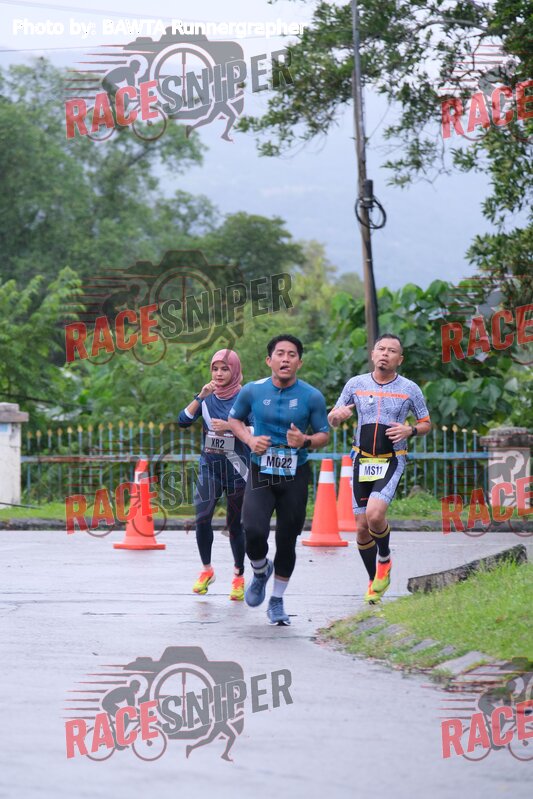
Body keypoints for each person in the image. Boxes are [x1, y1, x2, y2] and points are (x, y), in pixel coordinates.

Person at [228, 334, 330, 625]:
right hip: (261, 471)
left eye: (292, 354)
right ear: (269, 360)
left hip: (295, 474)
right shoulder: (252, 390)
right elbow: (235, 420)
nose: (286, 359)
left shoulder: (312, 396)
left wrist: (305, 440)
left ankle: (277, 600)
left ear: (300, 362)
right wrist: (250, 440)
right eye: (280, 354)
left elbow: (323, 434)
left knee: (287, 539)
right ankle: (261, 570)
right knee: (253, 529)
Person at [328, 334, 431, 604]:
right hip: (361, 460)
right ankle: (374, 580)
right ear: (373, 354)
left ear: (400, 359)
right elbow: (333, 417)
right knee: (362, 528)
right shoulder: (355, 384)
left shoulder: (410, 389)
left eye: (392, 351)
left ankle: (384, 558)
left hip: (391, 459)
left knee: (375, 516)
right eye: (381, 349)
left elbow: (426, 422)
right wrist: (336, 416)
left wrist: (410, 430)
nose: (385, 353)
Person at [178, 349, 252, 600]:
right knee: (202, 518)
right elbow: (183, 420)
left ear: (235, 371)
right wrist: (200, 396)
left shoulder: (245, 397)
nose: (219, 374)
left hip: (238, 469)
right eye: (215, 369)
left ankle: (238, 575)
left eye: (225, 369)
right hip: (210, 467)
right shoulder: (207, 397)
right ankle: (207, 570)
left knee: (235, 525)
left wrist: (231, 425)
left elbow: (259, 429)